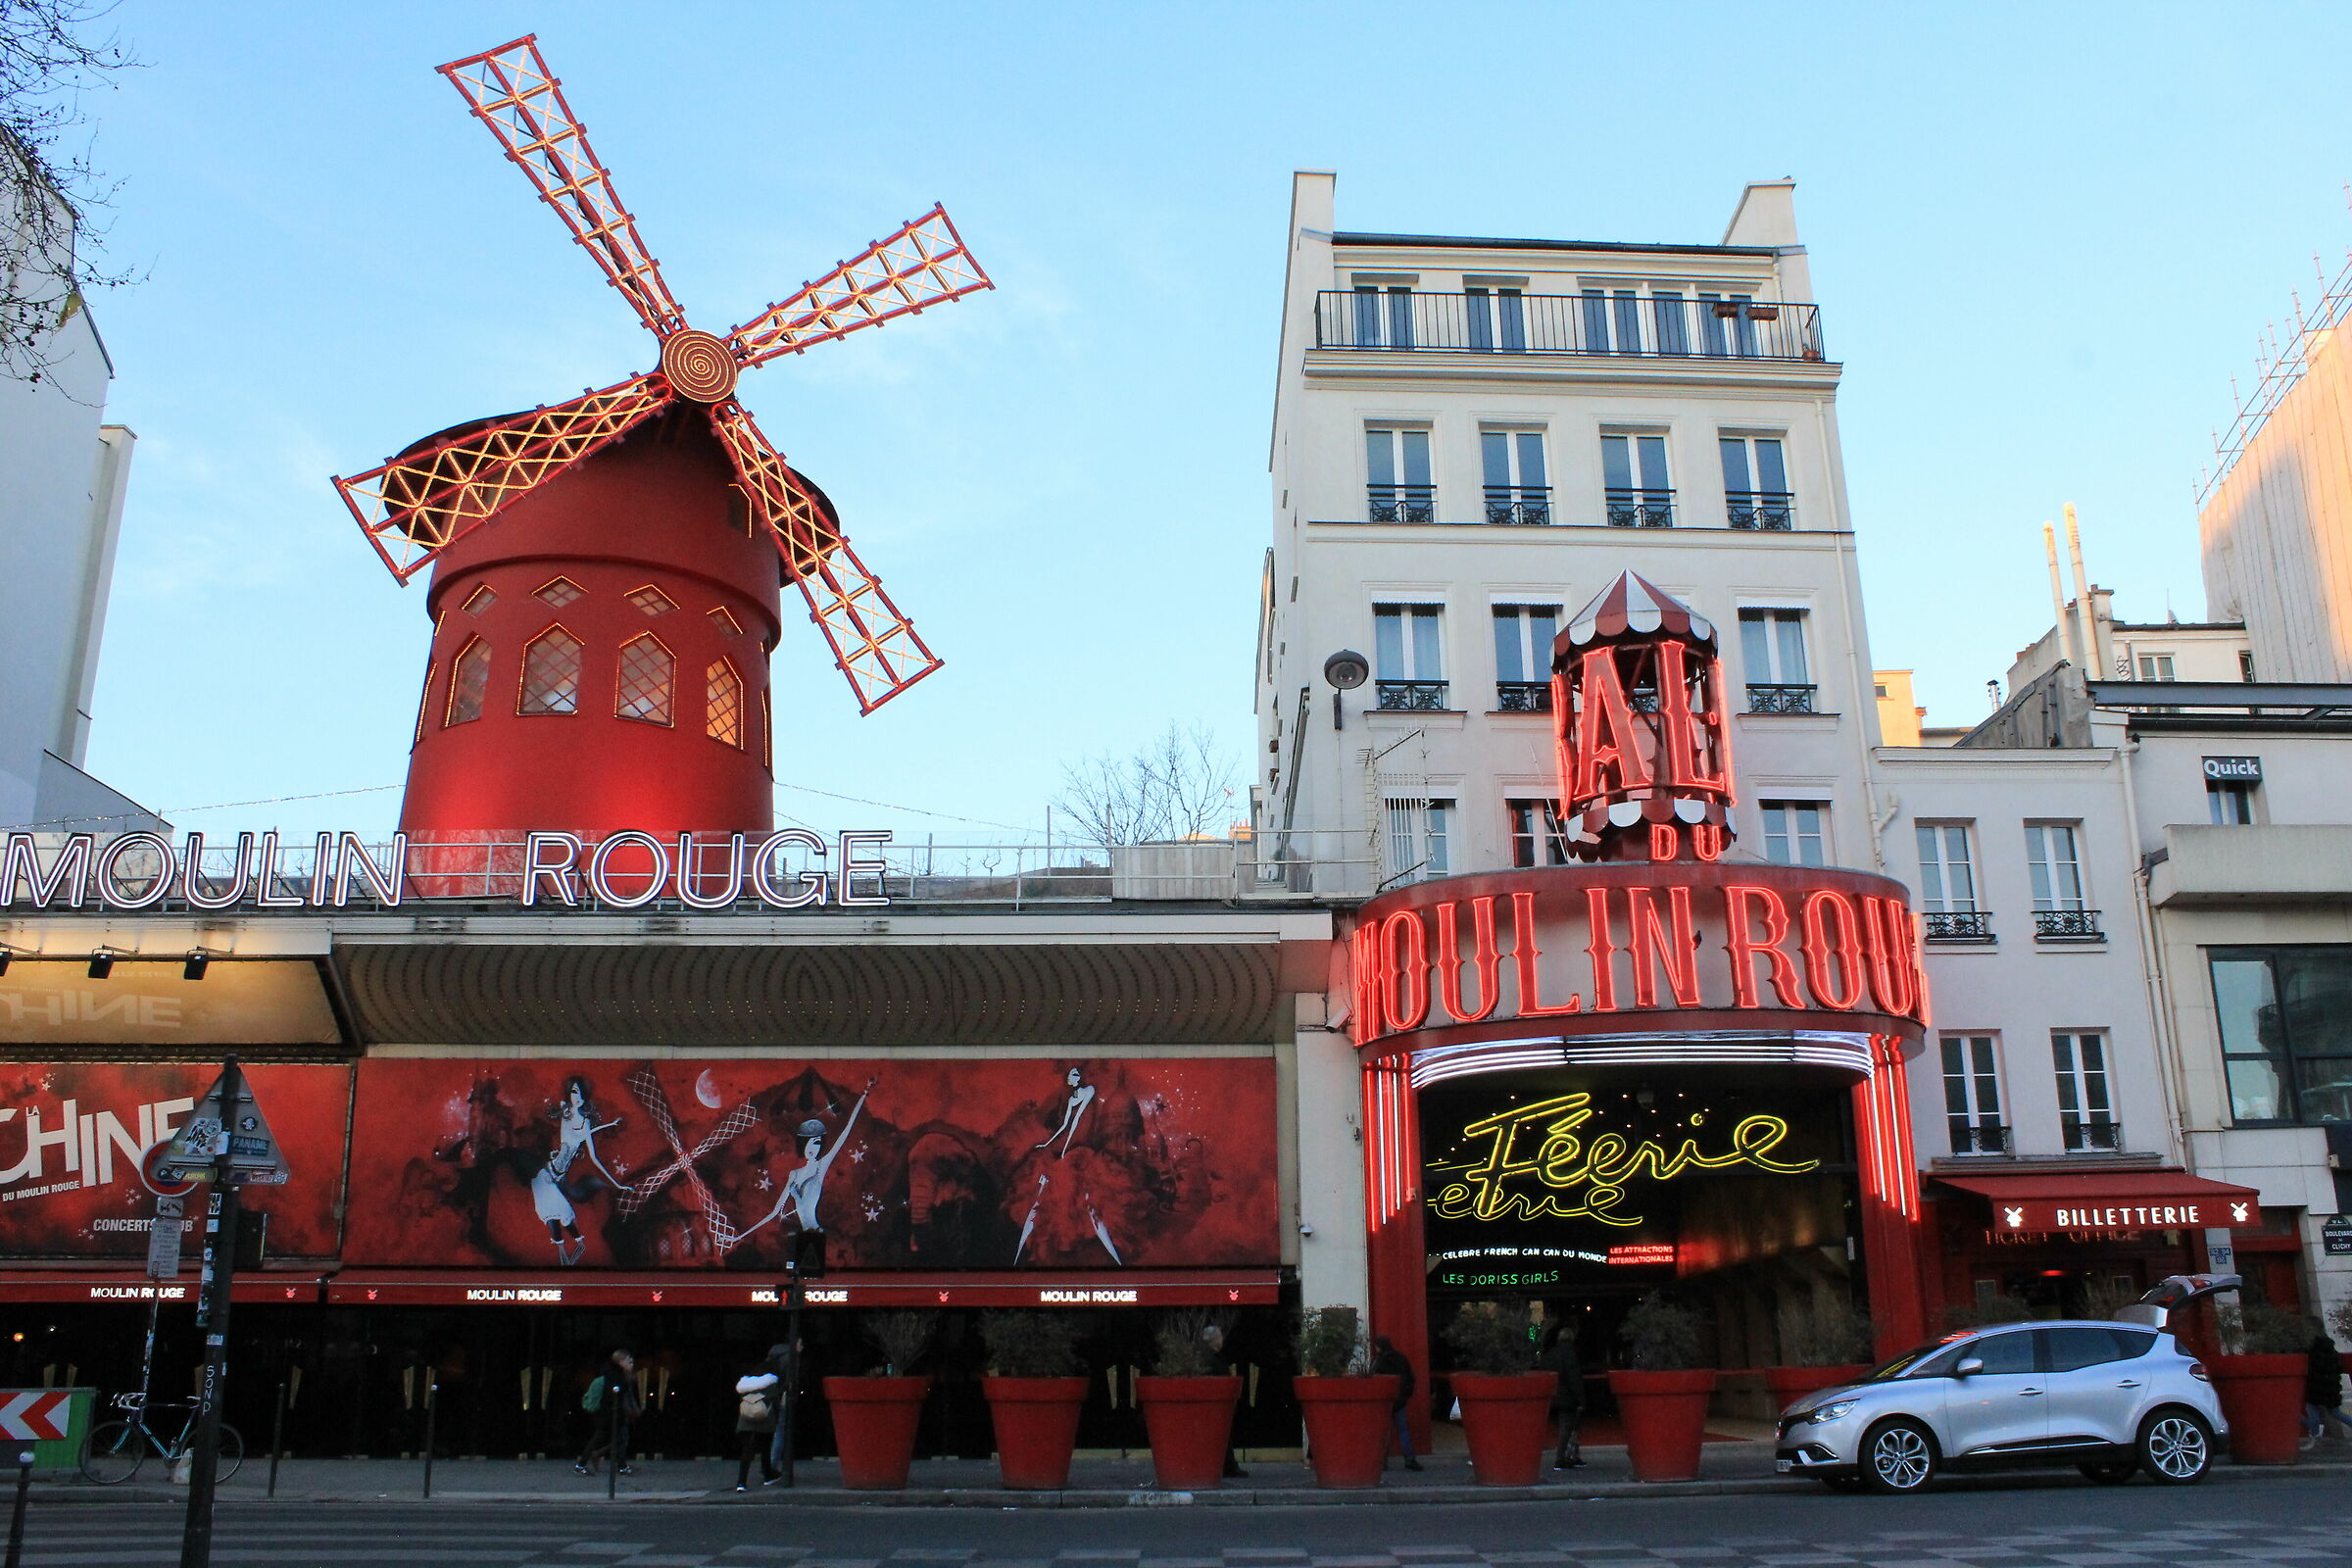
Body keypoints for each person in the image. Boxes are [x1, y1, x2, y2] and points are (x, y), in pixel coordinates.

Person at [576, 1349, 642, 1476]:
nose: (632, 1364)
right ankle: (586, 1463)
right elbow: (614, 1396)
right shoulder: (616, 1376)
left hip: (611, 1413)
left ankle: (586, 1463)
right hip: (612, 1413)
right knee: (618, 1438)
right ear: (621, 1361)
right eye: (629, 1361)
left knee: (617, 1438)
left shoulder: (614, 1374)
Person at [733, 1348, 784, 1490]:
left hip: (745, 1420)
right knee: (765, 1450)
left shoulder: (745, 1384)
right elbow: (775, 1402)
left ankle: (741, 1483)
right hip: (764, 1420)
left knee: (746, 1451)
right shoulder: (771, 1383)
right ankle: (768, 1476)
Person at [1371, 1335, 1422, 1472]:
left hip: (1384, 1402)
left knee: (1384, 1432)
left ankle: (1382, 1462)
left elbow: (1373, 1380)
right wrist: (1405, 1396)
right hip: (1400, 1401)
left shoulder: (1378, 1361)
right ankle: (1410, 1459)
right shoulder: (1401, 1358)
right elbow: (1410, 1378)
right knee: (1403, 1430)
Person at [1541, 1318, 1586, 1470]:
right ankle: (1563, 1457)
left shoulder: (1550, 1355)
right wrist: (1581, 1399)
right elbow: (1574, 1379)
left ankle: (1567, 1456)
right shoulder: (1571, 1355)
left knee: (1565, 1427)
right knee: (1569, 1427)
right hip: (1568, 1397)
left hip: (1555, 1395)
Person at [1204, 1322, 1247, 1479]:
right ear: (1214, 1339)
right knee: (1223, 1436)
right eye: (1220, 1336)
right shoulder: (1212, 1359)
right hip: (1218, 1404)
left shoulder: (1212, 1357)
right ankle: (1228, 1467)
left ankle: (1228, 1466)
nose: (1222, 1339)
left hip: (1220, 1403)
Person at [2302, 1322, 2350, 1449]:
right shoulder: (2330, 1347)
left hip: (2316, 1386)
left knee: (2312, 1410)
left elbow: (2312, 1367)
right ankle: (2315, 1435)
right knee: (2335, 1412)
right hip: (2330, 1386)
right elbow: (2338, 1366)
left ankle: (2314, 1437)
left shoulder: (2312, 1349)